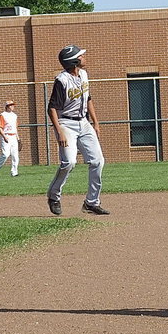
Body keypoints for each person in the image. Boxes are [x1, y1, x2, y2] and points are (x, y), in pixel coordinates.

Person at [46, 44, 109, 216]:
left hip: (84, 122)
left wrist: (95, 123)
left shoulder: (84, 75)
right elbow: (52, 108)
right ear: (73, 61)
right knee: (69, 162)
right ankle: (54, 196)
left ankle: (91, 202)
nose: (84, 57)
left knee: (97, 161)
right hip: (66, 124)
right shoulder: (62, 80)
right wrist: (59, 131)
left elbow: (88, 99)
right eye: (81, 56)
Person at [0, 100, 20, 177]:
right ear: (7, 106)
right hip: (6, 135)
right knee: (5, 154)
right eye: (11, 105)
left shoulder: (14, 116)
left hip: (13, 136)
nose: (12, 106)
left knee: (15, 156)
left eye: (13, 105)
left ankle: (14, 172)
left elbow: (15, 128)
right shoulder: (3, 115)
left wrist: (18, 138)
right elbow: (0, 127)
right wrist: (4, 136)